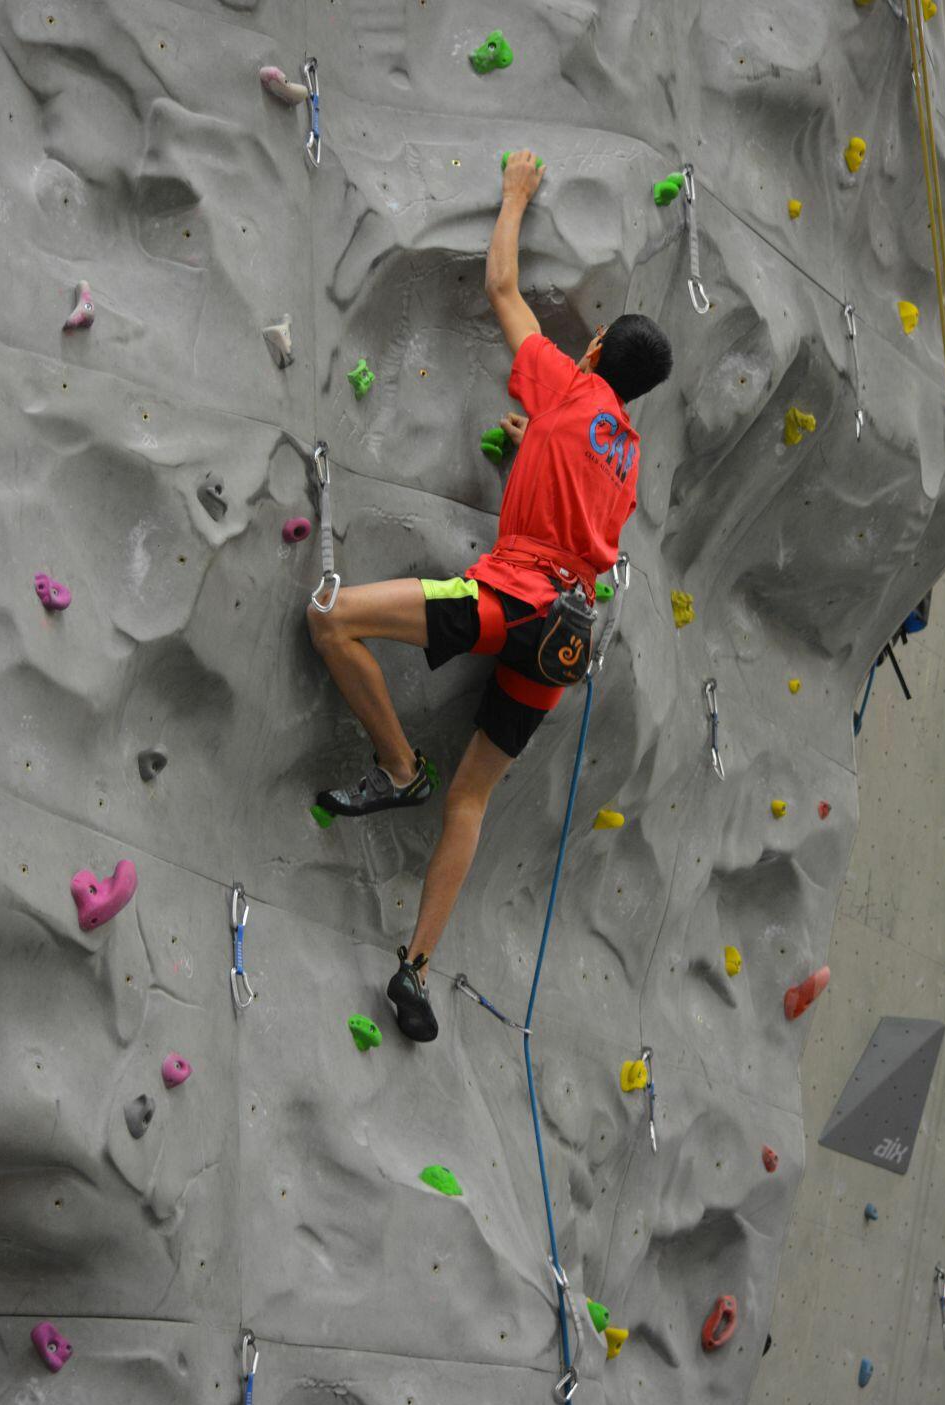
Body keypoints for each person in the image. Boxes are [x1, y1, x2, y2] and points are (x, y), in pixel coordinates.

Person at [307, 150, 672, 1044]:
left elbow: (503, 287)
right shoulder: (626, 457)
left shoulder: (568, 385)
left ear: (594, 351)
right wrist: (529, 449)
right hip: (566, 639)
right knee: (472, 799)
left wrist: (514, 195)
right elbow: (577, 514)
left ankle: (400, 768)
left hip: (514, 599)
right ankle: (416, 971)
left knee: (333, 619)